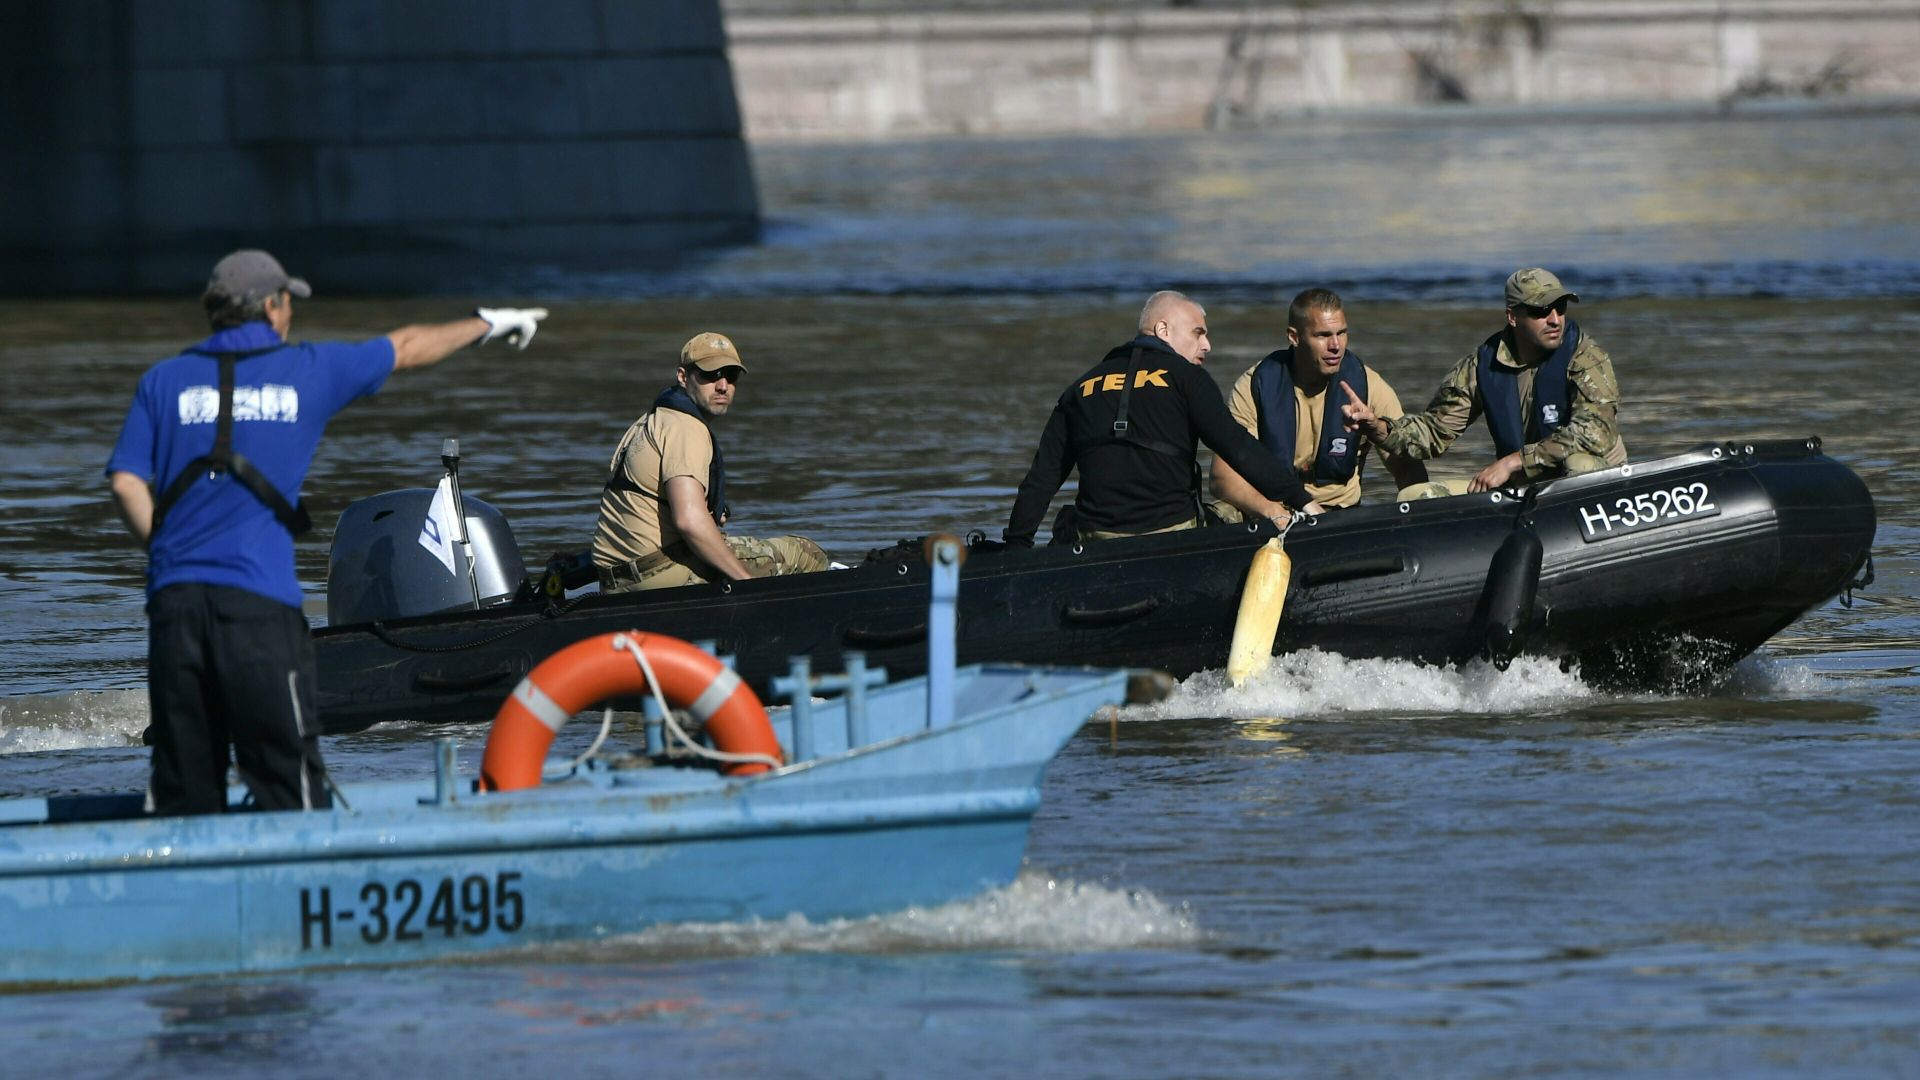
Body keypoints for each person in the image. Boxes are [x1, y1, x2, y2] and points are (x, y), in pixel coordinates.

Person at [106, 249, 548, 815]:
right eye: (287, 301)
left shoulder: (162, 381)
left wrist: (165, 554)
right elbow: (407, 346)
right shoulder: (305, 371)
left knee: (185, 789)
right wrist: (486, 323)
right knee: (286, 781)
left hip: (176, 607)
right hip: (257, 609)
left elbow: (125, 481)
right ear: (271, 306)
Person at [1005, 290, 1322, 548]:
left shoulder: (1079, 388)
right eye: (1198, 333)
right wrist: (1303, 502)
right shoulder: (1188, 378)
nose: (1207, 345)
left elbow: (1041, 479)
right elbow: (1238, 448)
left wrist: (1016, 547)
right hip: (1173, 536)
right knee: (1236, 508)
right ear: (1163, 330)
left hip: (1097, 540)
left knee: (1067, 521)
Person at [1343, 267, 1627, 495]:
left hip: (1594, 480)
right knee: (1418, 495)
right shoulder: (1481, 367)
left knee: (1578, 464)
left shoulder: (1586, 357)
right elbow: (1432, 433)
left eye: (1560, 307)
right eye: (1541, 311)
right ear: (1513, 317)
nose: (1555, 320)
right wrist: (1378, 428)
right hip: (1525, 488)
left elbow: (1595, 433)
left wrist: (1514, 462)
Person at [591, 332, 828, 592]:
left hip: (614, 581)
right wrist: (746, 583)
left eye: (731, 375)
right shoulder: (686, 428)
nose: (723, 385)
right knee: (805, 553)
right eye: (710, 374)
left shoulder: (649, 422)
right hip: (660, 577)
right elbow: (689, 521)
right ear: (683, 377)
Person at [1210, 288, 1428, 519]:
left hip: (1339, 514)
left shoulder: (1369, 386)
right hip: (1274, 511)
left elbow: (1408, 469)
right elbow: (1221, 477)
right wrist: (1274, 513)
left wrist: (1418, 520)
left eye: (1341, 333)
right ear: (1294, 337)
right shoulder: (1255, 386)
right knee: (1221, 513)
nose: (1336, 345)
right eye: (1323, 335)